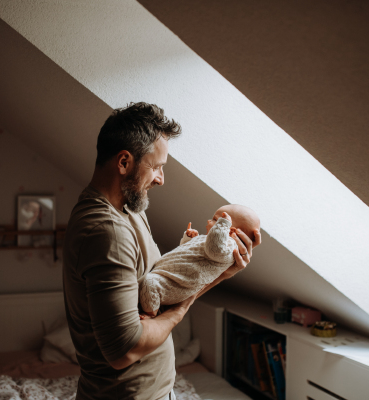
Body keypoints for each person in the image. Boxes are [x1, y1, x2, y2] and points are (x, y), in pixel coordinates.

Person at [62, 102, 261, 400]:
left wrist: (222, 270)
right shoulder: (106, 231)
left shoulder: (129, 207)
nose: (161, 179)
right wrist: (181, 311)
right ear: (124, 162)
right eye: (156, 167)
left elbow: (168, 288)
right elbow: (124, 350)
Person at [139, 204, 260, 317]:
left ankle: (151, 313)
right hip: (169, 274)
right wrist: (189, 239)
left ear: (230, 230)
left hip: (175, 284)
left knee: (150, 283)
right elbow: (187, 254)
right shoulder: (209, 241)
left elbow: (214, 249)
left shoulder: (228, 248)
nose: (208, 221)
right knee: (150, 282)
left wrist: (223, 224)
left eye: (215, 220)